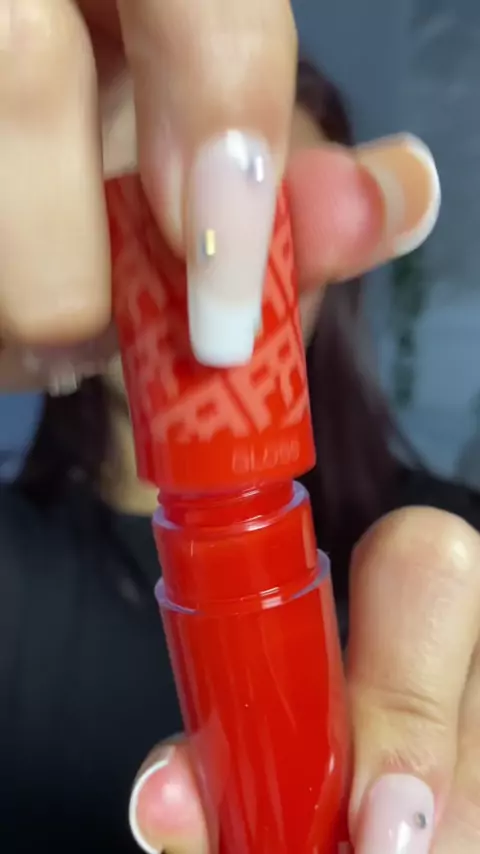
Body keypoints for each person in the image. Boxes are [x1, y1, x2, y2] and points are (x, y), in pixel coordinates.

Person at [2, 5, 479, 854]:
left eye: (265, 235)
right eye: (163, 214)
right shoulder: (17, 571)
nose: (204, 267)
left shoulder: (455, 540)